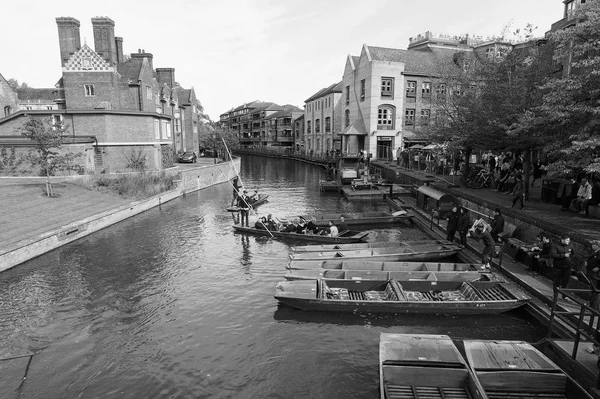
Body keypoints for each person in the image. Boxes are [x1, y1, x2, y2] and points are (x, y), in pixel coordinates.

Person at [550, 233, 576, 300]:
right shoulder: (555, 246)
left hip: (567, 267)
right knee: (556, 281)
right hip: (558, 267)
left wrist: (570, 260)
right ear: (562, 240)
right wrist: (563, 255)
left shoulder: (570, 246)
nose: (568, 241)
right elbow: (553, 255)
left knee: (565, 282)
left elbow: (574, 254)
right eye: (567, 240)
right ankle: (555, 295)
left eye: (569, 240)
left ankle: (565, 296)